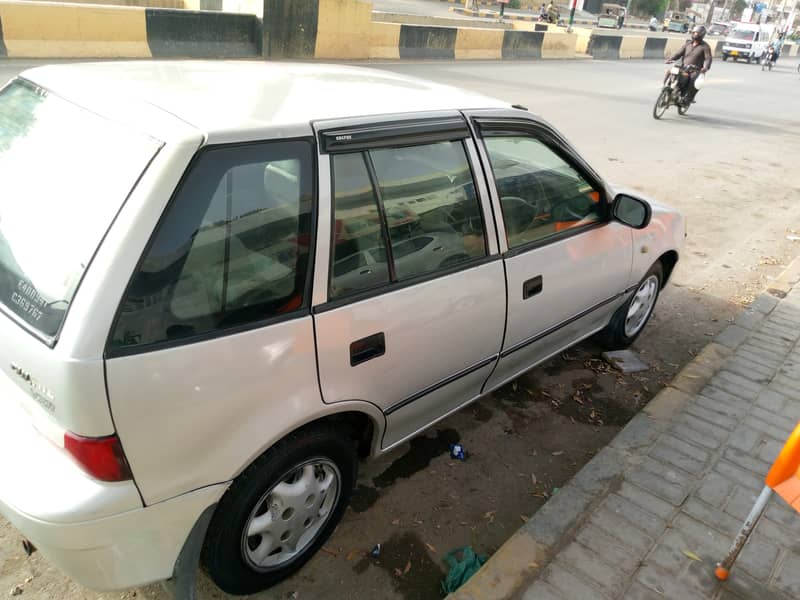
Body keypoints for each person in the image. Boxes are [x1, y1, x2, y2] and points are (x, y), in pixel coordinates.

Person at [665, 24, 712, 104]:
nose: (695, 35)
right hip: (683, 67)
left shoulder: (705, 47)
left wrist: (705, 67)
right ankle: (666, 86)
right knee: (670, 71)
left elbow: (708, 58)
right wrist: (671, 59)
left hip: (695, 70)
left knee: (694, 81)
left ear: (701, 35)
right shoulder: (688, 44)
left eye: (697, 33)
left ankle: (688, 98)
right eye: (694, 33)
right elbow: (678, 53)